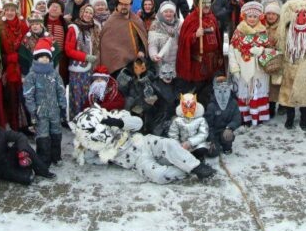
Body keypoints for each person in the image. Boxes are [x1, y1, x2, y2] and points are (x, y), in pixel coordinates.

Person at [71, 106, 215, 183]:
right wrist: (84, 145)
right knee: (158, 175)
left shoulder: (115, 118)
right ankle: (186, 168)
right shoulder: (93, 146)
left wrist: (120, 123)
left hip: (144, 142)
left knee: (169, 144)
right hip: (137, 161)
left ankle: (197, 167)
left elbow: (138, 123)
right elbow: (90, 159)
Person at [277, 0, 306, 129]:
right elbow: (281, 44)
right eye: (298, 13)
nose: (301, 17)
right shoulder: (287, 29)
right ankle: (290, 118)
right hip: (290, 63)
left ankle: (304, 119)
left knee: (305, 94)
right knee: (288, 93)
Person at [23, 38, 67, 167]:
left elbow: (61, 90)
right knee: (43, 135)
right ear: (36, 58)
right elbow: (28, 94)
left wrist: (62, 106)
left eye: (47, 57)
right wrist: (32, 109)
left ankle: (56, 156)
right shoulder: (32, 76)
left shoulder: (54, 74)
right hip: (40, 111)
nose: (44, 59)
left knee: (56, 132)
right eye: (41, 57)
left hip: (54, 110)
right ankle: (44, 158)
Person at [229, 1, 272, 126]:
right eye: (250, 16)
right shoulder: (238, 32)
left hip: (259, 71)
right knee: (245, 93)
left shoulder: (263, 31)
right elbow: (232, 51)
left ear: (259, 17)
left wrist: (261, 50)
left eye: (255, 16)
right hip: (243, 69)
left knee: (258, 93)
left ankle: (259, 116)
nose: (252, 19)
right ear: (245, 17)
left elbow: (269, 49)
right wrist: (234, 69)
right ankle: (246, 117)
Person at [176, 0, 224, 103]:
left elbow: (217, 37)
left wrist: (219, 56)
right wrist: (195, 35)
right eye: (203, 3)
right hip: (199, 65)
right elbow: (183, 41)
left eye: (208, 2)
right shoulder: (191, 19)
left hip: (213, 63)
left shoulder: (212, 17)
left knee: (210, 91)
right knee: (198, 92)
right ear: (198, 4)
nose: (206, 5)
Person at [0, 115, 55, 184]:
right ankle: (26, 169)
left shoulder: (0, 132)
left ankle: (42, 170)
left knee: (25, 147)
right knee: (27, 179)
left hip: (8, 157)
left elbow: (20, 136)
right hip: (0, 168)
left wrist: (22, 151)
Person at [0, 0, 30, 132]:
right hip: (7, 69)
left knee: (23, 97)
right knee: (10, 98)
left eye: (12, 9)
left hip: (22, 67)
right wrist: (9, 58)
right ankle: (14, 124)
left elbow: (28, 45)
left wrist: (22, 59)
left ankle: (25, 124)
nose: (10, 12)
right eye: (7, 10)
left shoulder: (23, 25)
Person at [99, 0, 148, 75]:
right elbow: (106, 47)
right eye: (121, 4)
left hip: (137, 62)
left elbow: (142, 39)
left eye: (126, 5)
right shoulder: (111, 22)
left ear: (130, 6)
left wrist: (142, 51)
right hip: (118, 67)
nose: (123, 7)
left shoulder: (136, 20)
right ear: (117, 5)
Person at [65, 4, 100, 118]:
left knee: (88, 95)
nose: (88, 15)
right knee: (77, 95)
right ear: (81, 13)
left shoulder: (93, 28)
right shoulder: (74, 28)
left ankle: (88, 118)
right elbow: (68, 50)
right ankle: (77, 118)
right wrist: (85, 57)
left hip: (91, 68)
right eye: (86, 12)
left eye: (91, 13)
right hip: (77, 69)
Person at [117, 58, 163, 134]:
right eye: (136, 68)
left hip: (146, 100)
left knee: (152, 106)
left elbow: (155, 87)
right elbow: (121, 90)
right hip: (131, 99)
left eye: (142, 68)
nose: (139, 70)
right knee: (129, 102)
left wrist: (146, 83)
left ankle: (148, 128)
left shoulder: (148, 73)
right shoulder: (126, 74)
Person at [204, 75, 241, 155]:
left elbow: (237, 118)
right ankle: (216, 145)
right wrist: (211, 140)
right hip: (214, 133)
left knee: (227, 136)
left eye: (225, 92)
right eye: (220, 92)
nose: (223, 97)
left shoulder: (233, 103)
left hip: (225, 131)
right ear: (215, 92)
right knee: (212, 153)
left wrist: (229, 128)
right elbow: (207, 125)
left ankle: (227, 147)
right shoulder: (211, 106)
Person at [168, 93, 210, 162]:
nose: (188, 109)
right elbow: (173, 134)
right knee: (176, 151)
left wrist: (190, 142)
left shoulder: (201, 119)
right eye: (185, 106)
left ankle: (198, 158)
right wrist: (179, 145)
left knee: (202, 149)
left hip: (196, 144)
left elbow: (203, 134)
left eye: (191, 106)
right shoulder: (177, 120)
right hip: (182, 145)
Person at [148, 1, 181, 81]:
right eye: (166, 11)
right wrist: (153, 55)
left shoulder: (180, 24)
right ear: (161, 12)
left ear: (174, 13)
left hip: (176, 62)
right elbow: (152, 44)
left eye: (171, 11)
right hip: (161, 62)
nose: (168, 14)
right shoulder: (155, 25)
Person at [263, 2, 282, 114]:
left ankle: (274, 106)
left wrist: (272, 47)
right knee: (266, 85)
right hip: (263, 60)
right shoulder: (262, 27)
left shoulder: (280, 28)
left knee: (275, 85)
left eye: (273, 14)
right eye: (268, 13)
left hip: (276, 60)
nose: (270, 16)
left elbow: (282, 45)